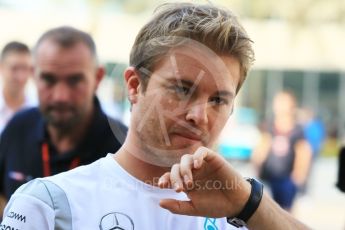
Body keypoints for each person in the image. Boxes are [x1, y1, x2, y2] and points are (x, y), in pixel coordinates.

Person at [1, 3, 309, 229]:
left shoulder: (238, 209)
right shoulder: (49, 205)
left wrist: (249, 205)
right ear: (135, 86)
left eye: (218, 99)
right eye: (182, 89)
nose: (199, 115)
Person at [0, 27, 127, 202]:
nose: (61, 96)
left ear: (97, 78)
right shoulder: (18, 128)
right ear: (33, 75)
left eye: (75, 80)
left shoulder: (123, 147)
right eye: (48, 79)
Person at [252, 91, 312, 211]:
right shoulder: (270, 127)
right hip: (269, 176)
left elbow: (304, 152)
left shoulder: (297, 130)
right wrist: (256, 166)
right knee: (267, 210)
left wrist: (299, 173)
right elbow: (261, 149)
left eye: (283, 103)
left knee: (285, 211)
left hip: (287, 178)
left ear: (291, 106)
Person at [0, 41, 36, 135]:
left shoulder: (38, 108)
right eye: (14, 68)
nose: (21, 77)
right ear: (1, 67)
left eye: (25, 68)